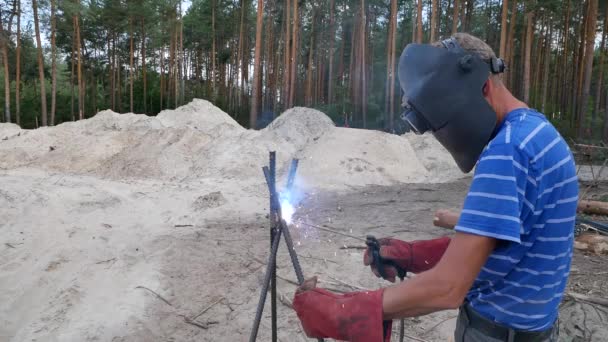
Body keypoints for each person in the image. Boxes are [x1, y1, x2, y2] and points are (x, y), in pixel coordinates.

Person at [291, 33, 578, 342]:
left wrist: (346, 310)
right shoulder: (537, 133)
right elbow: (501, 245)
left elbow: (449, 288)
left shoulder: (507, 151)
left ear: (483, 87)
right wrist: (414, 255)